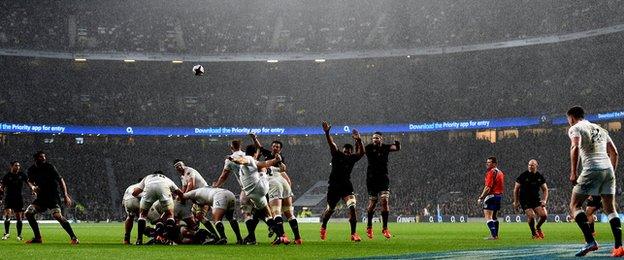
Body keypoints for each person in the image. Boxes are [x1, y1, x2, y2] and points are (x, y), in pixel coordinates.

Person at [565, 106, 622, 257]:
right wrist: (610, 174)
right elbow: (614, 153)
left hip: (591, 168)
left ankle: (590, 241)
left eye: (568, 120)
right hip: (608, 170)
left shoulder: (575, 128)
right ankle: (619, 247)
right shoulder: (600, 129)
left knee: (575, 205)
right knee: (611, 210)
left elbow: (575, 147)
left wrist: (573, 172)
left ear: (571, 118)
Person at [214, 144, 285, 245]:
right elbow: (245, 161)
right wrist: (275, 161)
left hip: (252, 192)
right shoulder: (249, 158)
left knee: (251, 213)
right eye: (257, 152)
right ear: (255, 152)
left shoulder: (250, 160)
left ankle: (253, 237)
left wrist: (233, 159)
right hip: (260, 190)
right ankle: (279, 236)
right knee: (267, 215)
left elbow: (246, 161)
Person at [249, 133, 302, 244]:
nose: (275, 147)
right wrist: (255, 138)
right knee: (289, 213)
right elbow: (260, 147)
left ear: (280, 149)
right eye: (274, 146)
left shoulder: (276, 159)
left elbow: (282, 167)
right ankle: (298, 238)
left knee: (276, 212)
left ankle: (282, 236)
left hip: (274, 183)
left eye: (277, 147)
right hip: (283, 183)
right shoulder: (268, 155)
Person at [320, 121, 365, 242]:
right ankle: (324, 226)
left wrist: (359, 140)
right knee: (330, 209)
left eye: (348, 151)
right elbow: (331, 143)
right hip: (334, 186)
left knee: (352, 207)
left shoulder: (352, 158)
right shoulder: (336, 154)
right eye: (345, 150)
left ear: (350, 152)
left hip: (346, 186)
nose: (346, 153)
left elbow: (362, 153)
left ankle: (353, 234)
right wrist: (327, 132)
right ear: (342, 150)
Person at [24, 151, 79, 244]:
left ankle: (74, 238)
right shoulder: (31, 169)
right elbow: (29, 181)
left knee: (57, 216)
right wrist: (33, 187)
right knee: (28, 213)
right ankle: (38, 238)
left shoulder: (50, 167)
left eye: (44, 157)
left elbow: (61, 180)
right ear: (36, 159)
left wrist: (65, 195)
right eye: (41, 157)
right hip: (41, 197)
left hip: (52, 196)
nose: (44, 158)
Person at [132, 171, 184, 245]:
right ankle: (168, 240)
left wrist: (141, 194)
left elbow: (135, 192)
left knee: (142, 215)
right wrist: (182, 201)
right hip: (163, 188)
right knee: (169, 214)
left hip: (149, 188)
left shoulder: (147, 177)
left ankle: (139, 240)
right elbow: (179, 192)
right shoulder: (166, 179)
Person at [364, 131, 400, 239]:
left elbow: (397, 148)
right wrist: (357, 141)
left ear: (381, 139)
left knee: (384, 201)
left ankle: (385, 228)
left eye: (377, 138)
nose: (375, 139)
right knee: (373, 204)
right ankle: (369, 227)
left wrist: (398, 143)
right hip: (371, 179)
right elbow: (360, 151)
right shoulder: (368, 148)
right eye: (373, 138)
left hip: (383, 178)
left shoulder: (385, 147)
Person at [513, 159, 548, 239]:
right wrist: (516, 201)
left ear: (536, 166)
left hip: (536, 199)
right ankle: (534, 234)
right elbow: (516, 189)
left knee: (544, 216)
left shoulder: (539, 176)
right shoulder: (523, 175)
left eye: (532, 165)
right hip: (524, 200)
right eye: (529, 165)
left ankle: (538, 227)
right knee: (531, 217)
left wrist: (544, 200)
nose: (530, 166)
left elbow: (545, 189)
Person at [477, 156, 504, 240]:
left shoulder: (491, 172)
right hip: (498, 196)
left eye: (489, 162)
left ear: (494, 164)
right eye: (487, 162)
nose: (487, 164)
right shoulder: (500, 173)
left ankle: (494, 235)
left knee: (488, 217)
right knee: (494, 217)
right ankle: (496, 235)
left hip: (491, 196)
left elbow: (488, 187)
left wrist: (481, 197)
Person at [1, 161, 28, 241]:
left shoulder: (22, 175)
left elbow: (28, 182)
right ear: (12, 166)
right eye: (16, 165)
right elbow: (2, 187)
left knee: (19, 217)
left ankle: (19, 235)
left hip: (18, 198)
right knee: (7, 215)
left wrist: (32, 188)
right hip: (9, 197)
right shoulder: (7, 176)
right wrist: (1, 195)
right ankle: (6, 233)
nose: (18, 167)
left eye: (19, 166)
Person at [122, 180, 142, 244]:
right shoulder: (143, 185)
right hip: (136, 199)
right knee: (142, 218)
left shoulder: (130, 186)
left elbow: (123, 201)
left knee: (130, 217)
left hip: (127, 201)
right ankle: (139, 239)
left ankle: (126, 239)